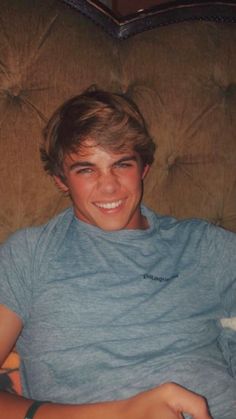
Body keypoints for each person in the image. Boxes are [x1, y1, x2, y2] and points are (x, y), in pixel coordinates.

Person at [0, 89, 235, 419]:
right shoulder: (28, 256)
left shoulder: (205, 247)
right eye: (86, 169)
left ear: (143, 168)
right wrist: (121, 412)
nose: (108, 187)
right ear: (60, 180)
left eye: (121, 164)